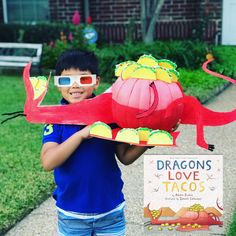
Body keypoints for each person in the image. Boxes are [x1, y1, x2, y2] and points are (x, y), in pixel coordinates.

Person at [41, 49, 148, 236]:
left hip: (110, 211)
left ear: (96, 82)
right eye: (66, 80)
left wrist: (148, 141)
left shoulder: (111, 115)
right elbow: (48, 162)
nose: (75, 86)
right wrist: (82, 134)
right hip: (72, 214)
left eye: (83, 79)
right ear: (58, 85)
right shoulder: (56, 119)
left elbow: (125, 157)